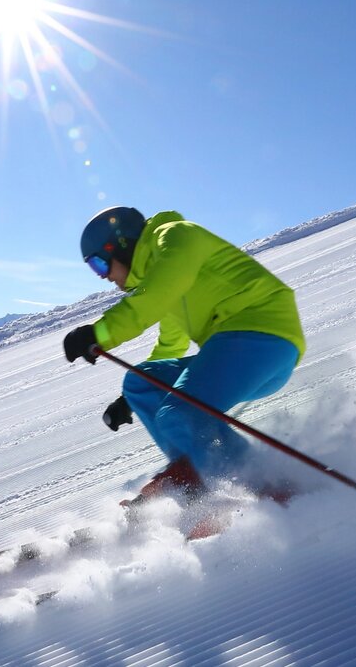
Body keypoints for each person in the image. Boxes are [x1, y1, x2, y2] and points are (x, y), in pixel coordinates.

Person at [62, 206, 305, 505]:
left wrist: (99, 334)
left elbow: (157, 295)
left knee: (180, 411)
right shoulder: (160, 274)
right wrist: (131, 400)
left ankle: (261, 486)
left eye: (100, 265)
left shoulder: (175, 236)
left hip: (263, 336)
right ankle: (195, 474)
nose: (102, 277)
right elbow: (171, 343)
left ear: (121, 245)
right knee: (141, 383)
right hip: (239, 352)